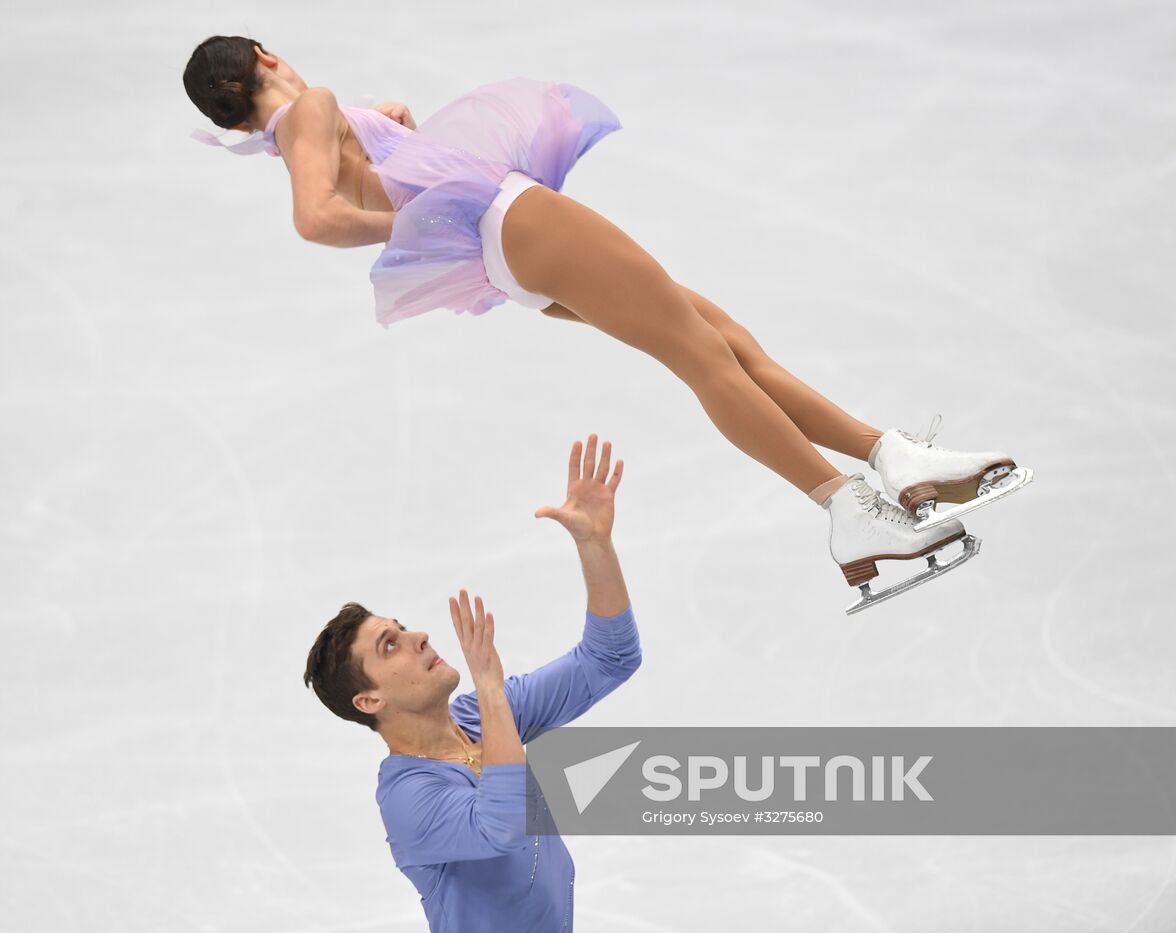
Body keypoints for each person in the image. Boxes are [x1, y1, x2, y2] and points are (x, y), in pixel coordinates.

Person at [183, 36, 1033, 612]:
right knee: (705, 354)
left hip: (505, 253)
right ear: (265, 59)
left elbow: (359, 181)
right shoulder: (310, 107)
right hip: (512, 224)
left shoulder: (304, 127)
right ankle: (846, 506)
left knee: (720, 336)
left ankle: (892, 457)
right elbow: (316, 217)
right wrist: (413, 215)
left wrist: (401, 142)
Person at [303, 435, 641, 932]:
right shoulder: (407, 797)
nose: (418, 636)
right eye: (389, 646)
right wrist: (488, 687)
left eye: (401, 628)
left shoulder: (480, 718)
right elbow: (501, 822)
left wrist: (595, 545)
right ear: (369, 698)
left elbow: (610, 658)